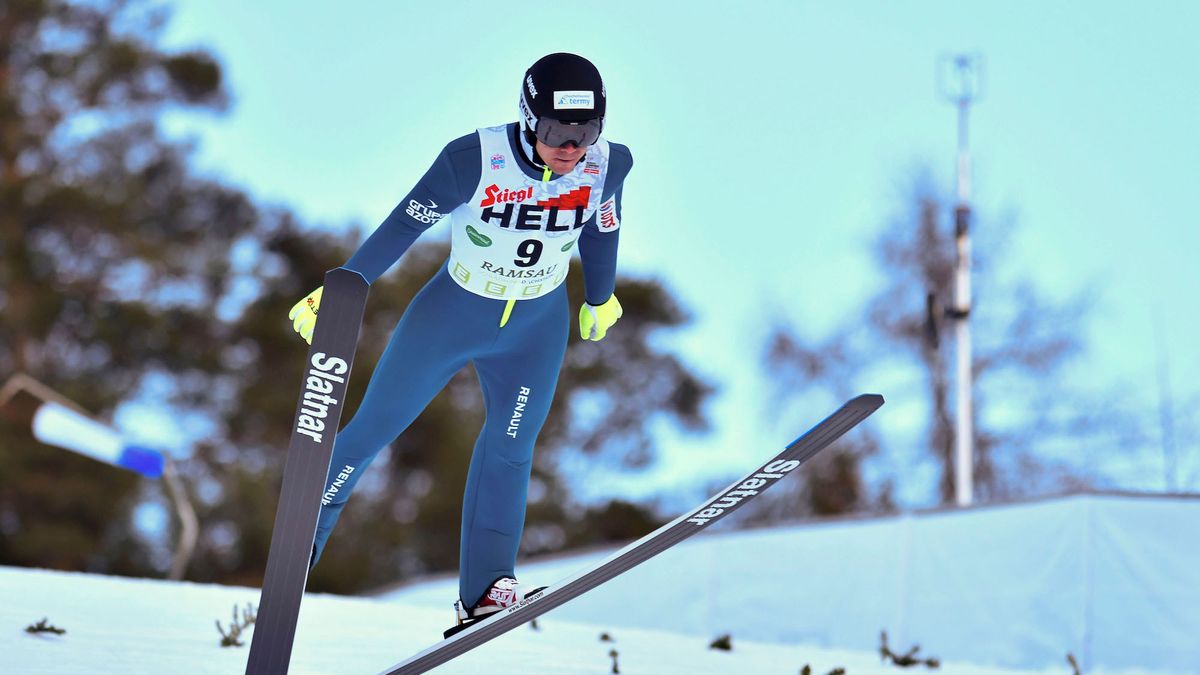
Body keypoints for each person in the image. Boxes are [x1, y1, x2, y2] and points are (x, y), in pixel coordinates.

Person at [287, 52, 632, 635]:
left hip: (535, 326)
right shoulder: (474, 159)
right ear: (528, 118)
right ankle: (301, 548)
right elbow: (405, 223)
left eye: (585, 131)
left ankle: (485, 591)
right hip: (452, 313)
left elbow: (604, 230)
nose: (570, 147)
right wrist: (347, 286)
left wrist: (600, 295)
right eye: (555, 132)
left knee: (512, 447)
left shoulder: (608, 165)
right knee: (375, 428)